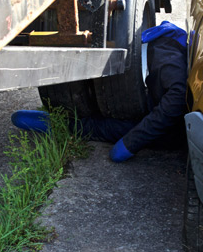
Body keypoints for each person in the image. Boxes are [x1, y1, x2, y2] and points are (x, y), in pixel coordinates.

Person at [11, 21, 188, 163]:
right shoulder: (168, 57)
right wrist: (132, 142)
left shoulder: (172, 68)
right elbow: (176, 96)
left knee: (118, 128)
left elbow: (174, 102)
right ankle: (63, 123)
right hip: (159, 71)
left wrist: (131, 141)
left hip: (174, 116)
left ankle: (61, 125)